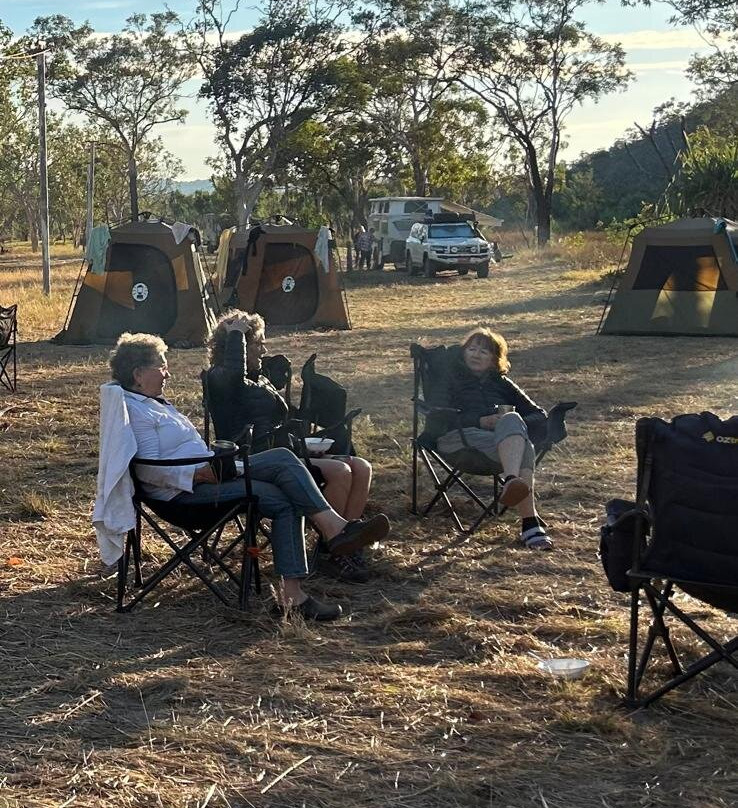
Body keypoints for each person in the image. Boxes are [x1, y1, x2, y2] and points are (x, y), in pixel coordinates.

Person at [108, 332, 391, 621]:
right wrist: (200, 475)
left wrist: (213, 465)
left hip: (207, 475)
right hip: (184, 495)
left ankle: (300, 583)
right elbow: (149, 469)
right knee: (282, 470)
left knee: (284, 472)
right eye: (162, 366)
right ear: (139, 374)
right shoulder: (136, 410)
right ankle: (328, 540)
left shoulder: (154, 404)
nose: (167, 373)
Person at [206, 311, 374, 582]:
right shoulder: (220, 378)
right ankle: (333, 548)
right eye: (258, 343)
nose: (264, 349)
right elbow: (233, 377)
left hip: (284, 450)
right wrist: (236, 332)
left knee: (361, 466)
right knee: (340, 471)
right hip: (256, 459)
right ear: (238, 346)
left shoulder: (257, 377)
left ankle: (346, 548)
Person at [437, 327, 553, 550]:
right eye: (471, 349)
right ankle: (530, 523)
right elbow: (438, 415)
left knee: (512, 421)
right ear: (463, 353)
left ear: (494, 359)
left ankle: (511, 482)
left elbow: (539, 414)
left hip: (497, 442)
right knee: (524, 447)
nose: (476, 354)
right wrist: (480, 421)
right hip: (458, 438)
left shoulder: (502, 383)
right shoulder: (449, 379)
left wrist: (510, 426)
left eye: (484, 351)